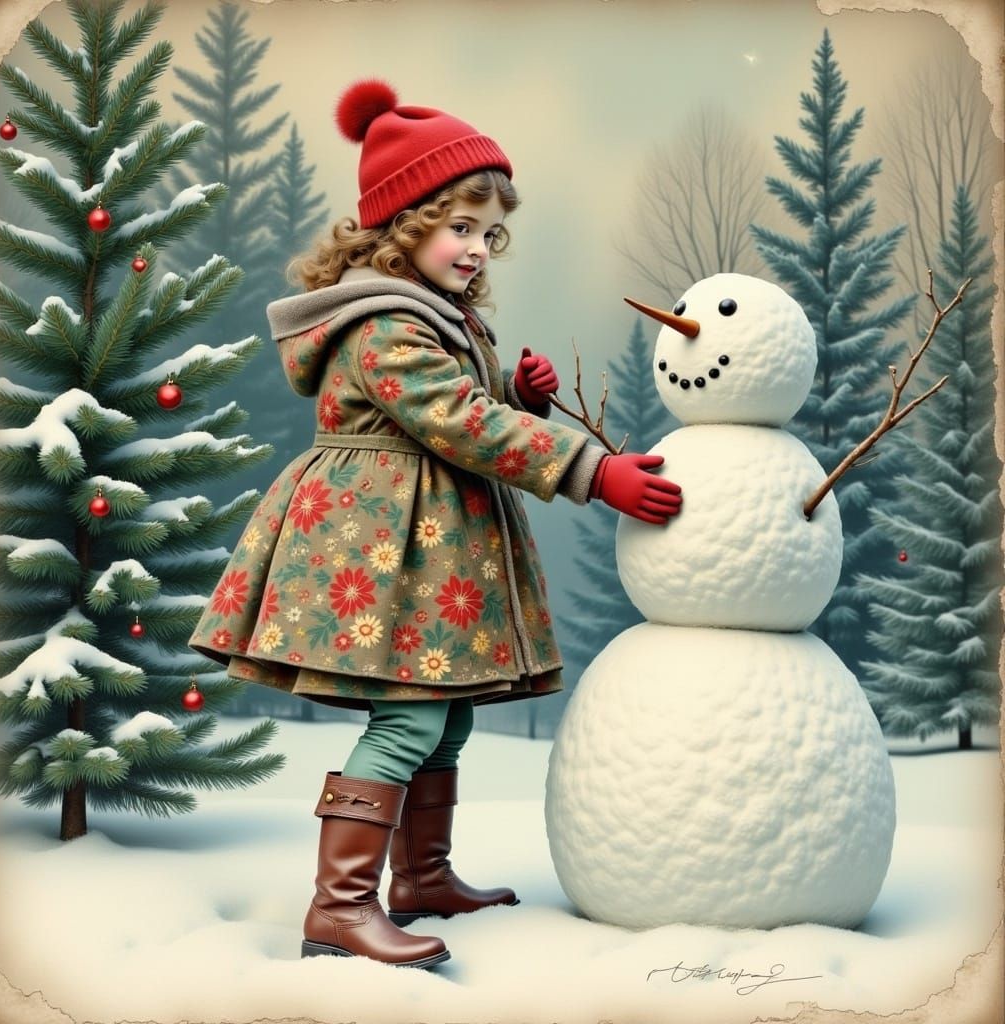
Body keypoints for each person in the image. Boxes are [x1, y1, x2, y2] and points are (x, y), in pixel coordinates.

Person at [188, 79, 682, 970]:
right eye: (460, 225)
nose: (479, 248)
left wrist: (514, 392)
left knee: (443, 715)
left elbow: (460, 406)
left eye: (491, 233)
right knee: (408, 718)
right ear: (400, 224)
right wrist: (589, 469)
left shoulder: (430, 318)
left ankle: (423, 876)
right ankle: (339, 909)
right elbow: (455, 420)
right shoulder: (381, 324)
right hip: (382, 551)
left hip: (423, 546)